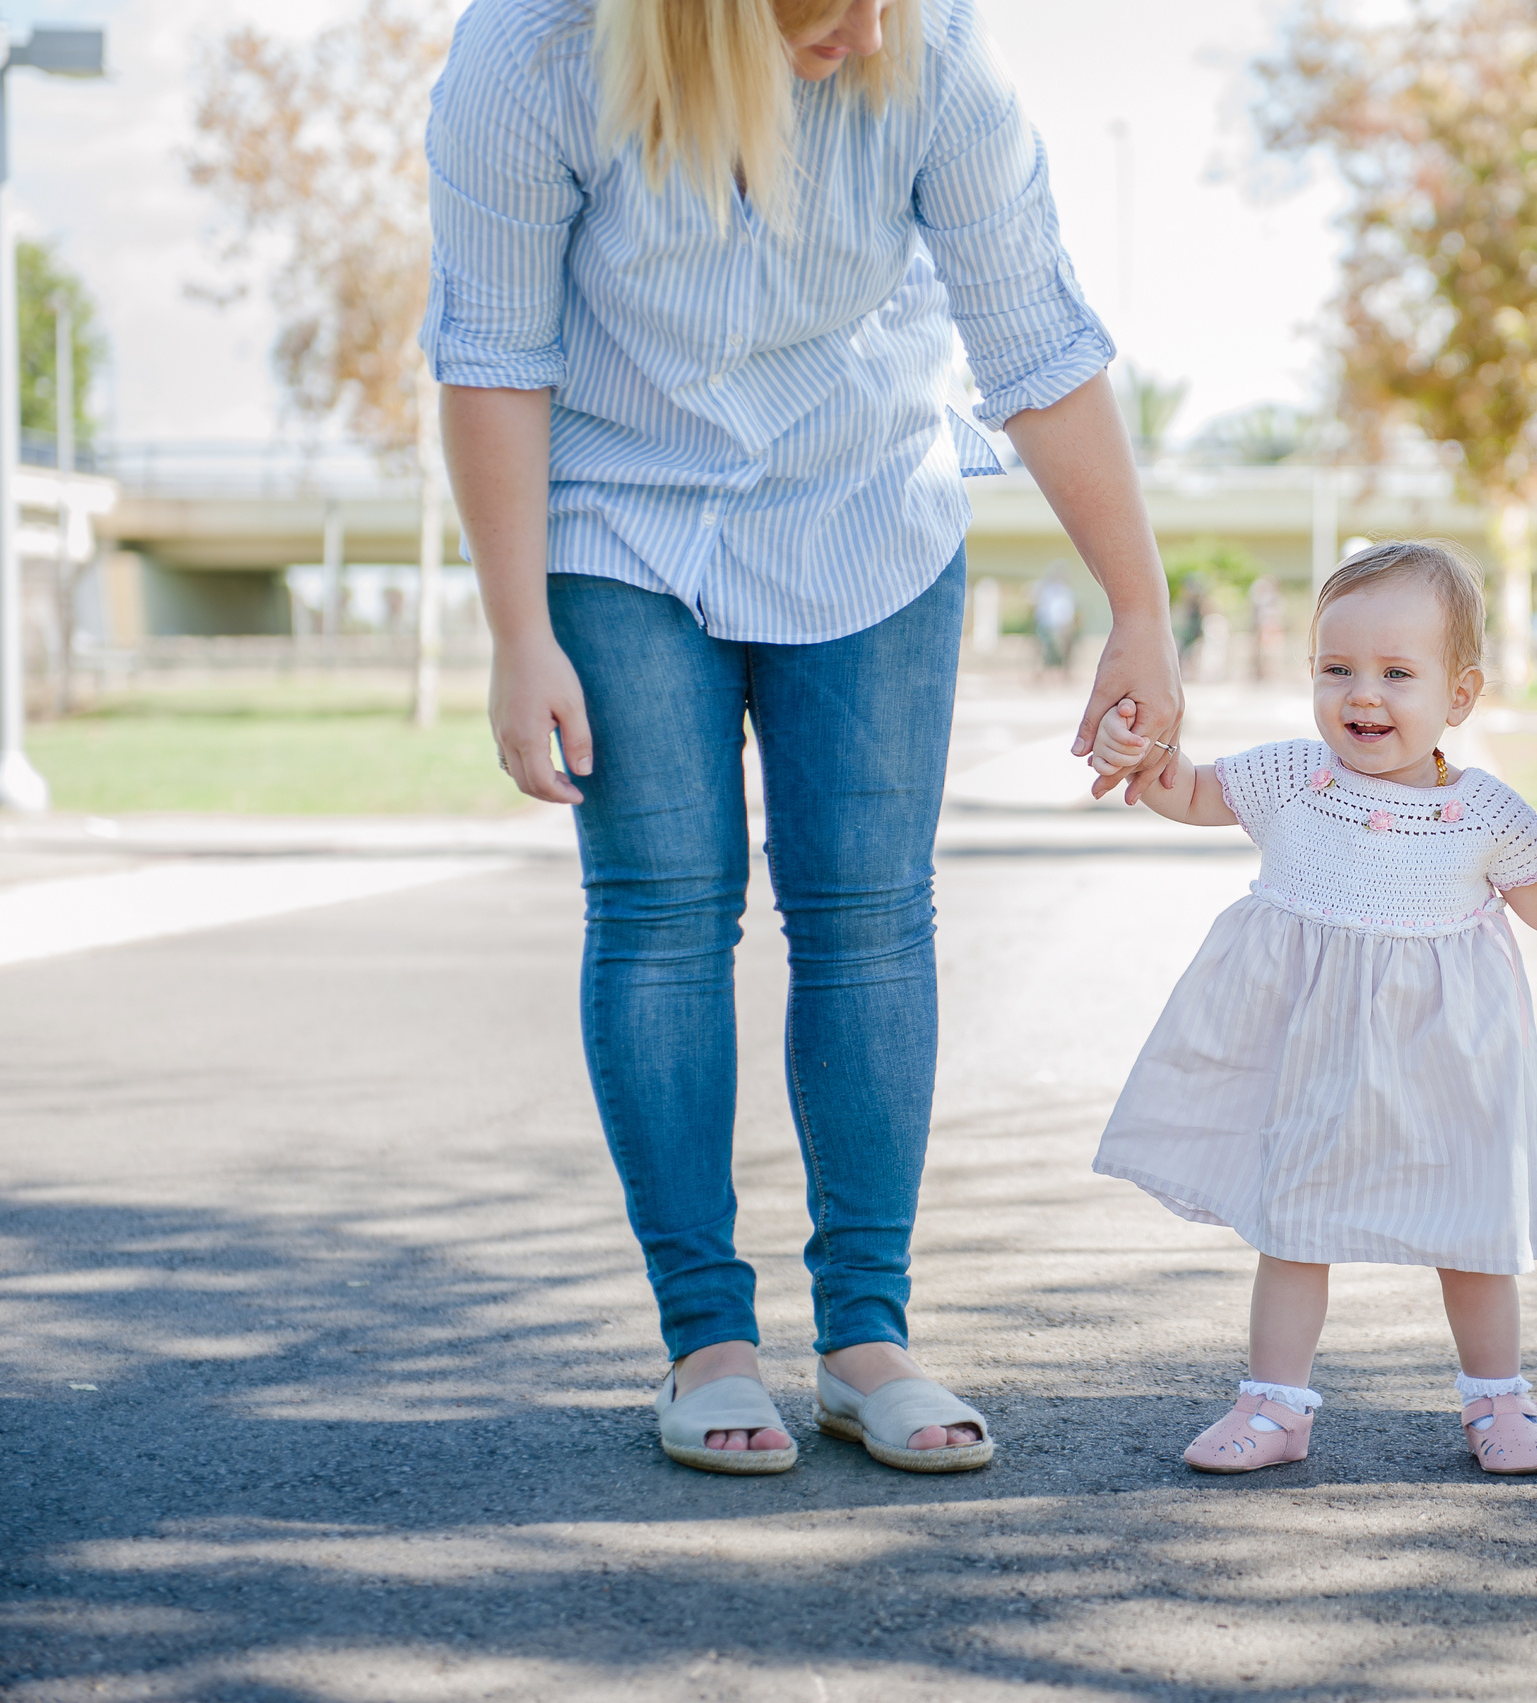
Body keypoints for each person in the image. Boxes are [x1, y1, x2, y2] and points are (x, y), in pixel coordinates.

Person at [427, 0, 1181, 1476]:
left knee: (867, 913)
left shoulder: (936, 53)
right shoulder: (532, 56)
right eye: (830, 1)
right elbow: (493, 352)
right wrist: (518, 631)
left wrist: (1138, 605)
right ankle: (706, 1334)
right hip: (618, 511)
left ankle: (865, 1335)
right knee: (660, 908)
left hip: (864, 500)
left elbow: (1034, 334)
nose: (873, 22)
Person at [1087, 542, 1537, 1475]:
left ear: (1459, 695)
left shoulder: (1482, 814)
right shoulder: (1297, 778)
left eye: (1395, 673)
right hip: (1317, 1057)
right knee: (1293, 1221)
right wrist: (1141, 753)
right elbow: (1188, 789)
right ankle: (1274, 1404)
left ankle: (1498, 1397)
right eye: (1336, 669)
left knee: (1471, 1232)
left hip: (1448, 1062)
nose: (1362, 696)